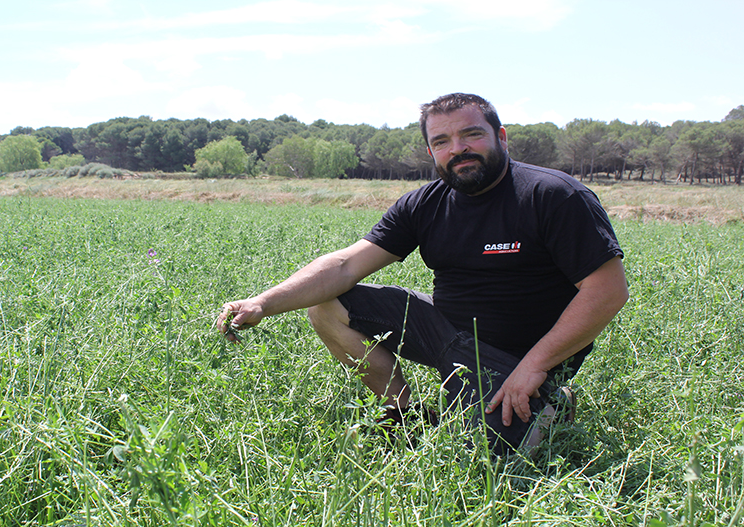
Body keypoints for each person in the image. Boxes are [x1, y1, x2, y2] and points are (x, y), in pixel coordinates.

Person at [215, 93, 628, 455]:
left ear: (501, 138)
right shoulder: (424, 204)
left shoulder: (552, 195)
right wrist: (262, 303)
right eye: (442, 141)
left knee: (490, 461)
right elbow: (345, 265)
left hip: (518, 354)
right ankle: (403, 416)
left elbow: (606, 291)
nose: (458, 149)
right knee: (329, 305)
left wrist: (535, 366)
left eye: (472, 135)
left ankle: (553, 400)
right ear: (431, 152)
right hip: (445, 329)